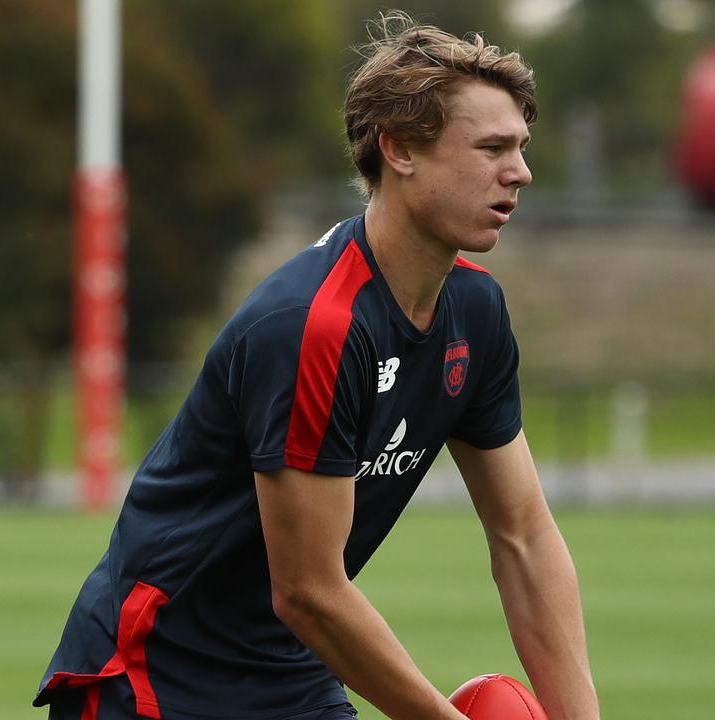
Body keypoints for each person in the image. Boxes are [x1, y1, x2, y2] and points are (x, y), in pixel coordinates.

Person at [37, 12, 599, 720]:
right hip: (155, 677)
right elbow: (307, 589)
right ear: (398, 150)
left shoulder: (476, 315)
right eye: (492, 147)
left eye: (520, 146)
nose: (520, 171)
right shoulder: (315, 325)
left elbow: (523, 538)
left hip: (290, 670)